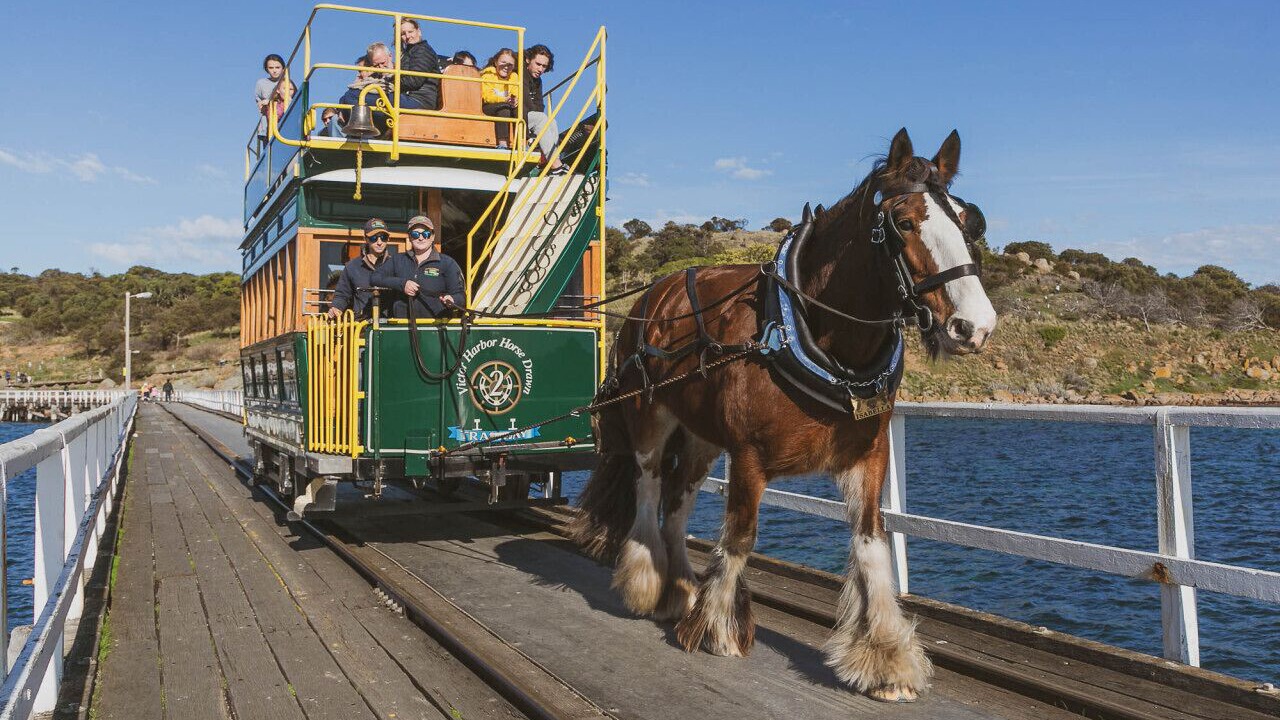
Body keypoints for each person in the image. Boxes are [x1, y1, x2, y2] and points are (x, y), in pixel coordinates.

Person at [373, 215, 463, 319]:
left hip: (436, 326)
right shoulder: (397, 260)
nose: (421, 238)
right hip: (401, 326)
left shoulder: (447, 263)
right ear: (409, 237)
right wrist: (402, 284)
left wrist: (452, 299)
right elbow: (375, 278)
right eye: (415, 234)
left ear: (432, 236)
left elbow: (461, 296)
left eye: (426, 234)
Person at [330, 218, 393, 319]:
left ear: (388, 239)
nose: (379, 242)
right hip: (361, 325)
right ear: (366, 239)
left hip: (390, 325)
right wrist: (336, 307)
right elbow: (342, 294)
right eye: (374, 238)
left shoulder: (395, 264)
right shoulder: (352, 266)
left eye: (383, 237)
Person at [523, 45, 566, 175]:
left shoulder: (538, 81)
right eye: (538, 64)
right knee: (541, 119)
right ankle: (556, 166)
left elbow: (539, 105)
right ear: (528, 60)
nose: (540, 69)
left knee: (551, 121)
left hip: (529, 116)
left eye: (544, 66)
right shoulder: (521, 74)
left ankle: (547, 162)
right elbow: (526, 103)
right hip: (517, 115)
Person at [399, 19, 441, 110]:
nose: (407, 36)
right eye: (403, 34)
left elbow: (415, 80)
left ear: (419, 31)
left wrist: (391, 82)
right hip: (410, 97)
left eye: (410, 32)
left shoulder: (422, 50)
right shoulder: (409, 52)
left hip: (420, 100)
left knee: (370, 98)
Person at [481, 48, 519, 149]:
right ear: (496, 62)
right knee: (504, 108)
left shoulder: (514, 77)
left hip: (507, 105)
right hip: (489, 107)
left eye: (510, 65)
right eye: (503, 62)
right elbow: (486, 96)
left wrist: (515, 100)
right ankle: (502, 143)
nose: (506, 67)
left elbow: (516, 91)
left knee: (519, 109)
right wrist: (504, 100)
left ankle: (522, 141)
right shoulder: (488, 74)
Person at [255, 54, 294, 146]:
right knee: (269, 150)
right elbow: (260, 105)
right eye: (271, 68)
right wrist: (265, 104)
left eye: (277, 67)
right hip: (267, 126)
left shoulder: (288, 82)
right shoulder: (261, 83)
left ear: (283, 68)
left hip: (284, 124)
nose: (274, 70)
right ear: (266, 69)